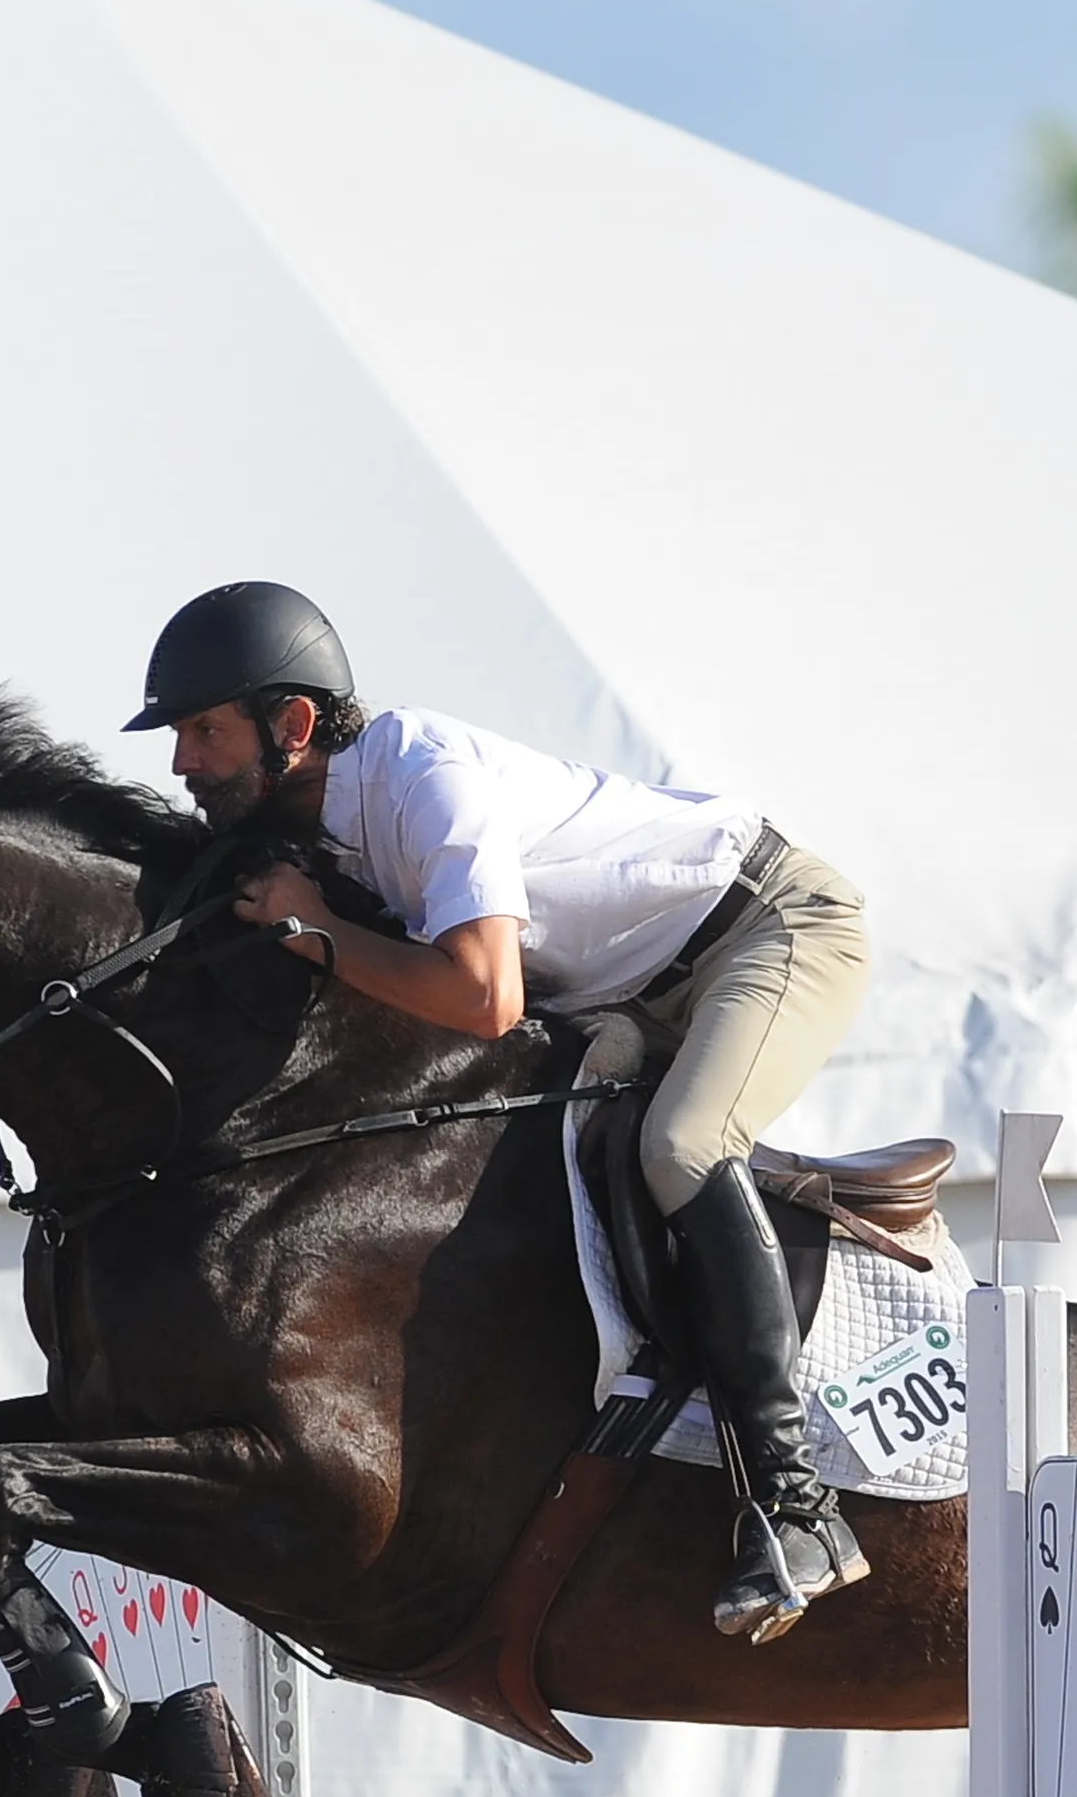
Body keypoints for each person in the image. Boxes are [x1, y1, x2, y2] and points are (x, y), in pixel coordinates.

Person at [128, 580, 876, 1644]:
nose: (181, 763)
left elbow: (484, 997)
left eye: (204, 732)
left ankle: (797, 1503)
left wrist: (315, 930)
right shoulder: (313, 825)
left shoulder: (425, 779)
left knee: (681, 1142)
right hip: (623, 989)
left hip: (767, 929)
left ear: (292, 726)